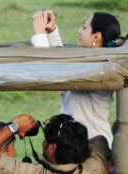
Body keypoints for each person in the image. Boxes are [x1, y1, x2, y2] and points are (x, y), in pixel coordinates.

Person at [30, 10, 121, 146]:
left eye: (84, 27)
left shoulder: (98, 67)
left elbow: (54, 73)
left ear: (96, 37)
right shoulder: (95, 61)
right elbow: (65, 67)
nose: (79, 31)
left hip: (91, 147)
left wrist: (40, 36)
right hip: (84, 143)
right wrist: (51, 32)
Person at [0, 114, 110, 174]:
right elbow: (101, 139)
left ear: (52, 148)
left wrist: (15, 126)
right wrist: (73, 145)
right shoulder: (96, 166)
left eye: (46, 140)